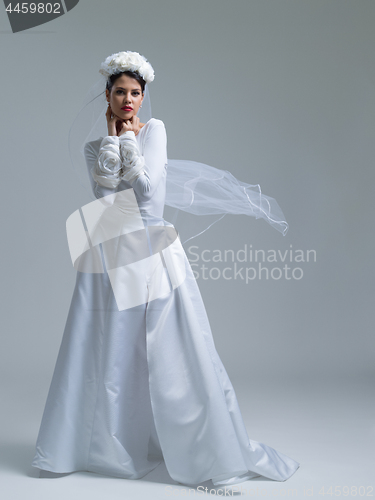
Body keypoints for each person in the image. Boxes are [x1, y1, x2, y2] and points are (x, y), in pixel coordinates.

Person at [31, 51, 300, 487]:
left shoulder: (155, 132)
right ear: (107, 95)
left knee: (175, 348)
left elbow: (149, 193)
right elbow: (105, 195)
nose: (128, 100)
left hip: (153, 248)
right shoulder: (93, 147)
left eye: (136, 93)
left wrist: (132, 140)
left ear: (143, 97)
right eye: (120, 92)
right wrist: (113, 138)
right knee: (107, 348)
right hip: (108, 249)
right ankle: (107, 446)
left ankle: (202, 447)